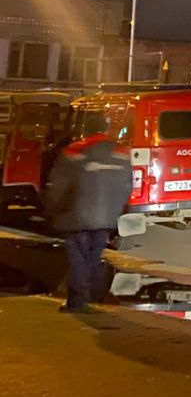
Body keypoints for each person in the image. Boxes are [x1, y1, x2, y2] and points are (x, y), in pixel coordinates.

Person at [44, 128, 133, 313]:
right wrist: (118, 210)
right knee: (94, 257)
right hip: (106, 218)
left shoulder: (74, 152)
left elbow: (59, 186)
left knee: (78, 259)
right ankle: (93, 296)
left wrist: (52, 209)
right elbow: (127, 185)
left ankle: (78, 302)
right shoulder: (121, 154)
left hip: (75, 216)